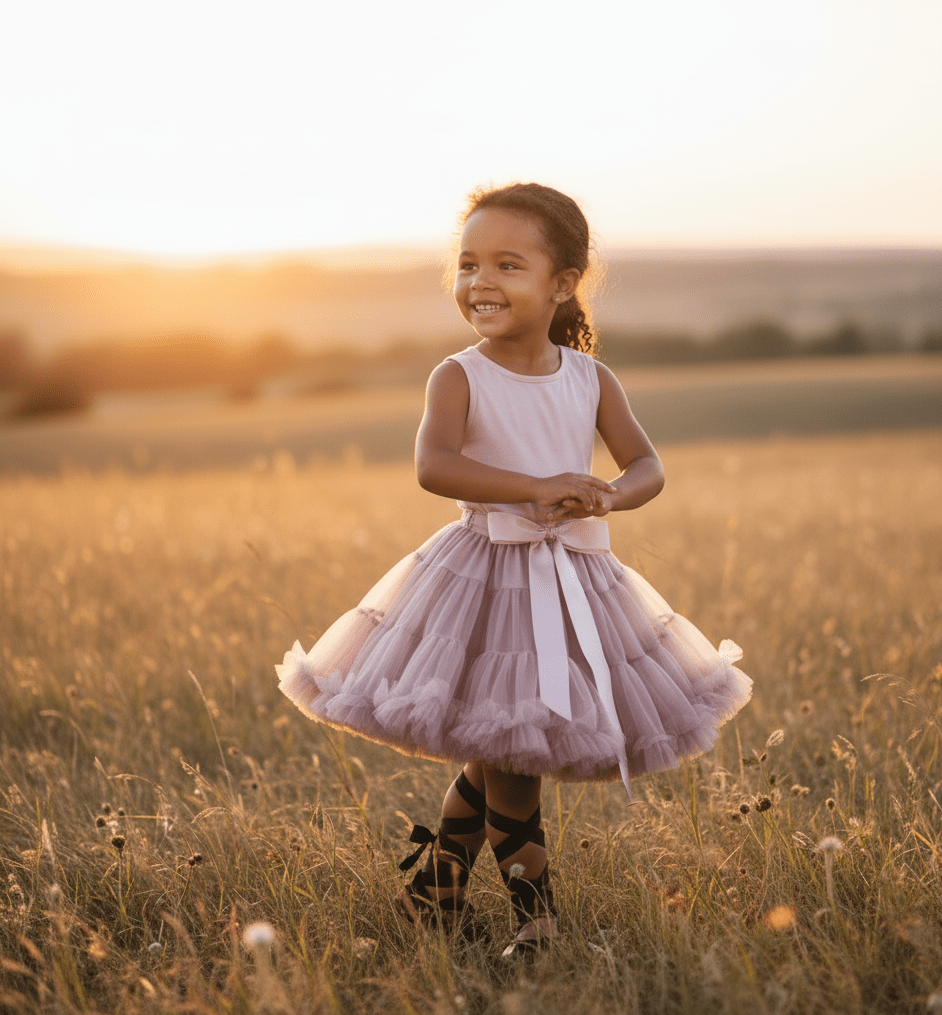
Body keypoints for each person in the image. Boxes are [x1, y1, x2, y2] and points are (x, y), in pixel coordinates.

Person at [276, 183, 752, 955]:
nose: (480, 282)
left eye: (506, 263)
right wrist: (536, 487)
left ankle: (435, 885)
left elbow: (646, 463)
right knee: (510, 749)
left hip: (572, 584)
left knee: (503, 741)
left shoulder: (590, 378)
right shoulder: (459, 375)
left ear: (562, 283)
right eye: (467, 264)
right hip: (482, 577)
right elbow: (435, 467)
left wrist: (610, 496)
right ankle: (538, 920)